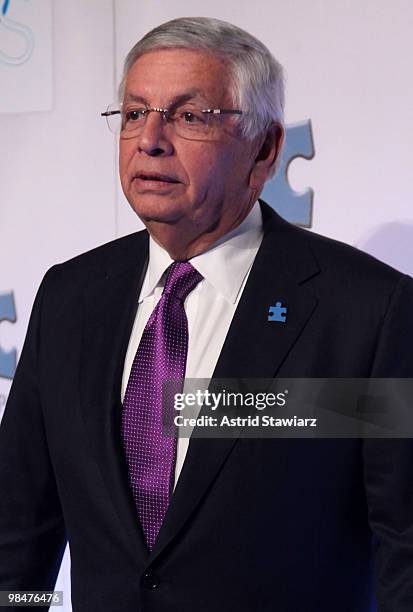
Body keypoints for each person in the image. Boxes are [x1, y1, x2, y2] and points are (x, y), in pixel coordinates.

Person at [1, 16, 412, 612]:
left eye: (189, 116)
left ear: (266, 147)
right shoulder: (70, 297)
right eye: (135, 113)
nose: (150, 140)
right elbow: (20, 533)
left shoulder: (364, 311)